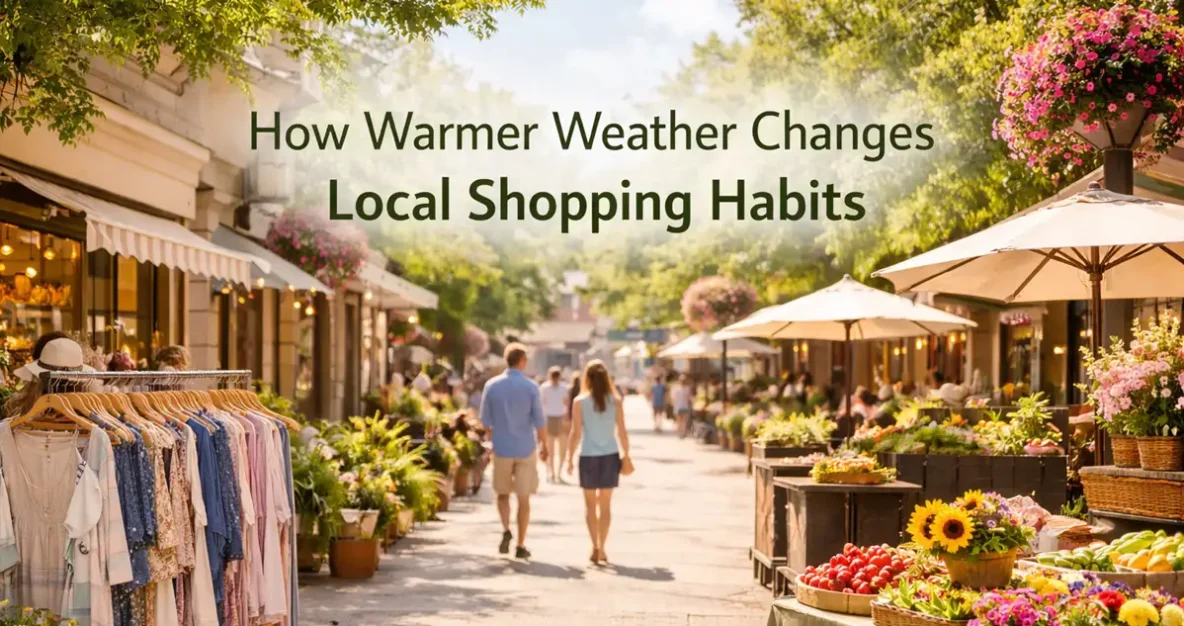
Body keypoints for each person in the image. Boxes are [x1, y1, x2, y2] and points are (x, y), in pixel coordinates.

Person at [480, 343, 549, 560]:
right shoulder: (531, 387)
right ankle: (520, 543)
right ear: (522, 361)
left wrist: (490, 441)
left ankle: (506, 529)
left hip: (501, 448)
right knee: (523, 497)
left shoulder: (492, 386)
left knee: (502, 494)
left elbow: (486, 422)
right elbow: (539, 421)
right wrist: (545, 445)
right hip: (525, 448)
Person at [565, 360, 631, 565]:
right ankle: (603, 546)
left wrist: (569, 457)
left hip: (588, 457)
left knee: (589, 504)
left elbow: (575, 433)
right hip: (610, 456)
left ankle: (594, 546)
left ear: (587, 378)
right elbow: (622, 431)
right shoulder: (616, 401)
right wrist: (626, 454)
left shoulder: (579, 401)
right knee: (605, 504)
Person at [539, 366, 571, 484]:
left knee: (563, 448)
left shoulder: (564, 387)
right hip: (549, 418)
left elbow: (567, 403)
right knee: (550, 448)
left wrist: (567, 418)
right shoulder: (544, 387)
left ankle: (558, 472)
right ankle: (551, 472)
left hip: (560, 418)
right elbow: (541, 403)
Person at [671, 374, 693, 439]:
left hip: (685, 407)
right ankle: (680, 432)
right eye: (681, 380)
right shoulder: (675, 388)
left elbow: (689, 398)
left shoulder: (687, 389)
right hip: (678, 407)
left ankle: (683, 433)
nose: (682, 381)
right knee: (679, 421)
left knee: (684, 421)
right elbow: (673, 398)